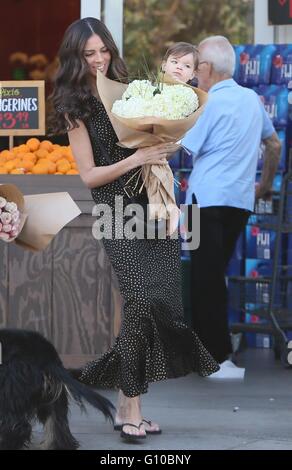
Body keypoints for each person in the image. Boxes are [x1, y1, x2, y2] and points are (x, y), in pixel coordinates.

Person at [49, 18, 219, 442]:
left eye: (103, 50)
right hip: (116, 210)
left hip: (153, 206)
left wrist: (163, 148)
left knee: (161, 300)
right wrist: (136, 161)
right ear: (75, 57)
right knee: (141, 297)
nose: (99, 59)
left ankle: (129, 401)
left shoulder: (130, 89)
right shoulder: (75, 105)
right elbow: (89, 176)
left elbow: (155, 137)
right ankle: (129, 404)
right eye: (88, 54)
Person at [182, 36, 281, 375]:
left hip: (203, 201)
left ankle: (214, 357)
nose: (195, 74)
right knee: (214, 275)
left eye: (197, 67)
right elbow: (274, 144)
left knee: (203, 278)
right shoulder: (252, 100)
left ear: (207, 69)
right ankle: (209, 354)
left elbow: (187, 146)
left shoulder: (207, 103)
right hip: (239, 202)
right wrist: (263, 186)